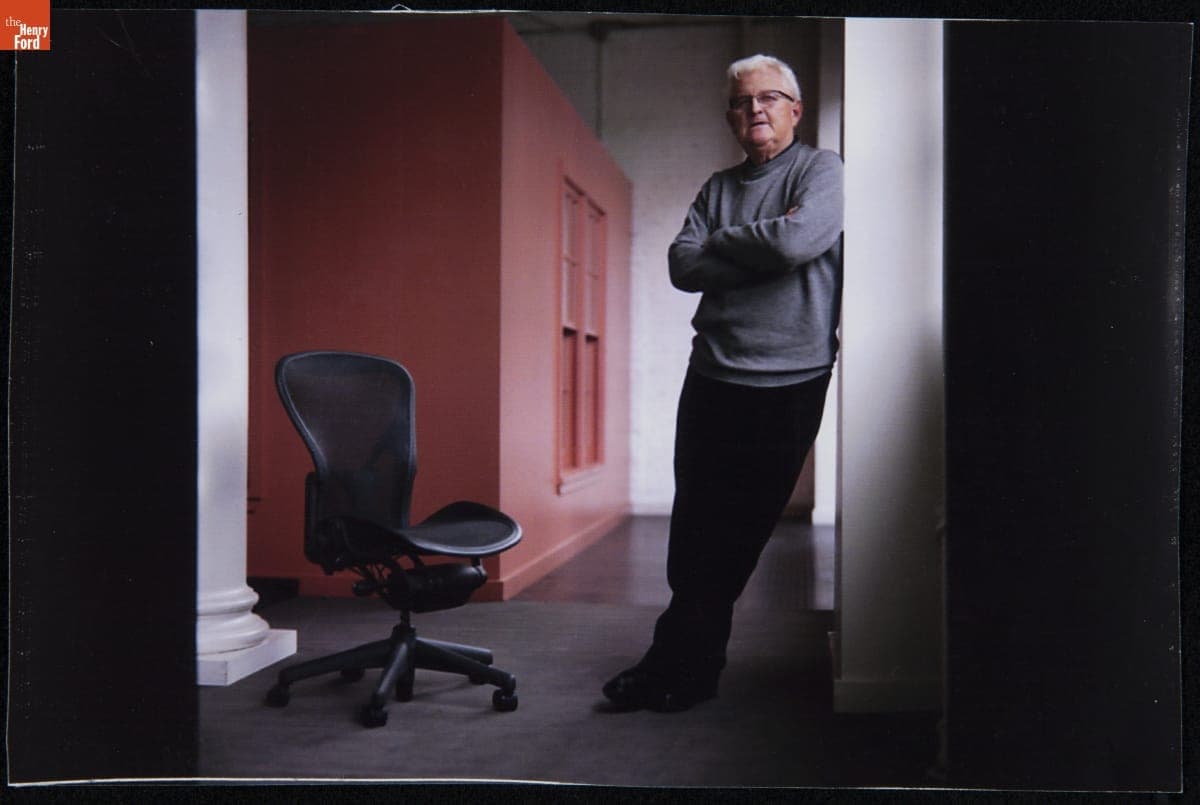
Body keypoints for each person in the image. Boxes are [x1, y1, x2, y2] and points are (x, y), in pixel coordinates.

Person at [603, 54, 844, 712]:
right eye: (742, 102)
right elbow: (683, 265)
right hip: (712, 374)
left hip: (789, 380)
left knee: (738, 534)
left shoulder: (822, 170)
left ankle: (674, 663)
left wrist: (728, 247)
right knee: (695, 529)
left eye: (770, 98)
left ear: (795, 109)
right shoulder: (717, 185)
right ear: (731, 118)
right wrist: (761, 245)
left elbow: (798, 245)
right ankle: (685, 666)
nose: (756, 110)